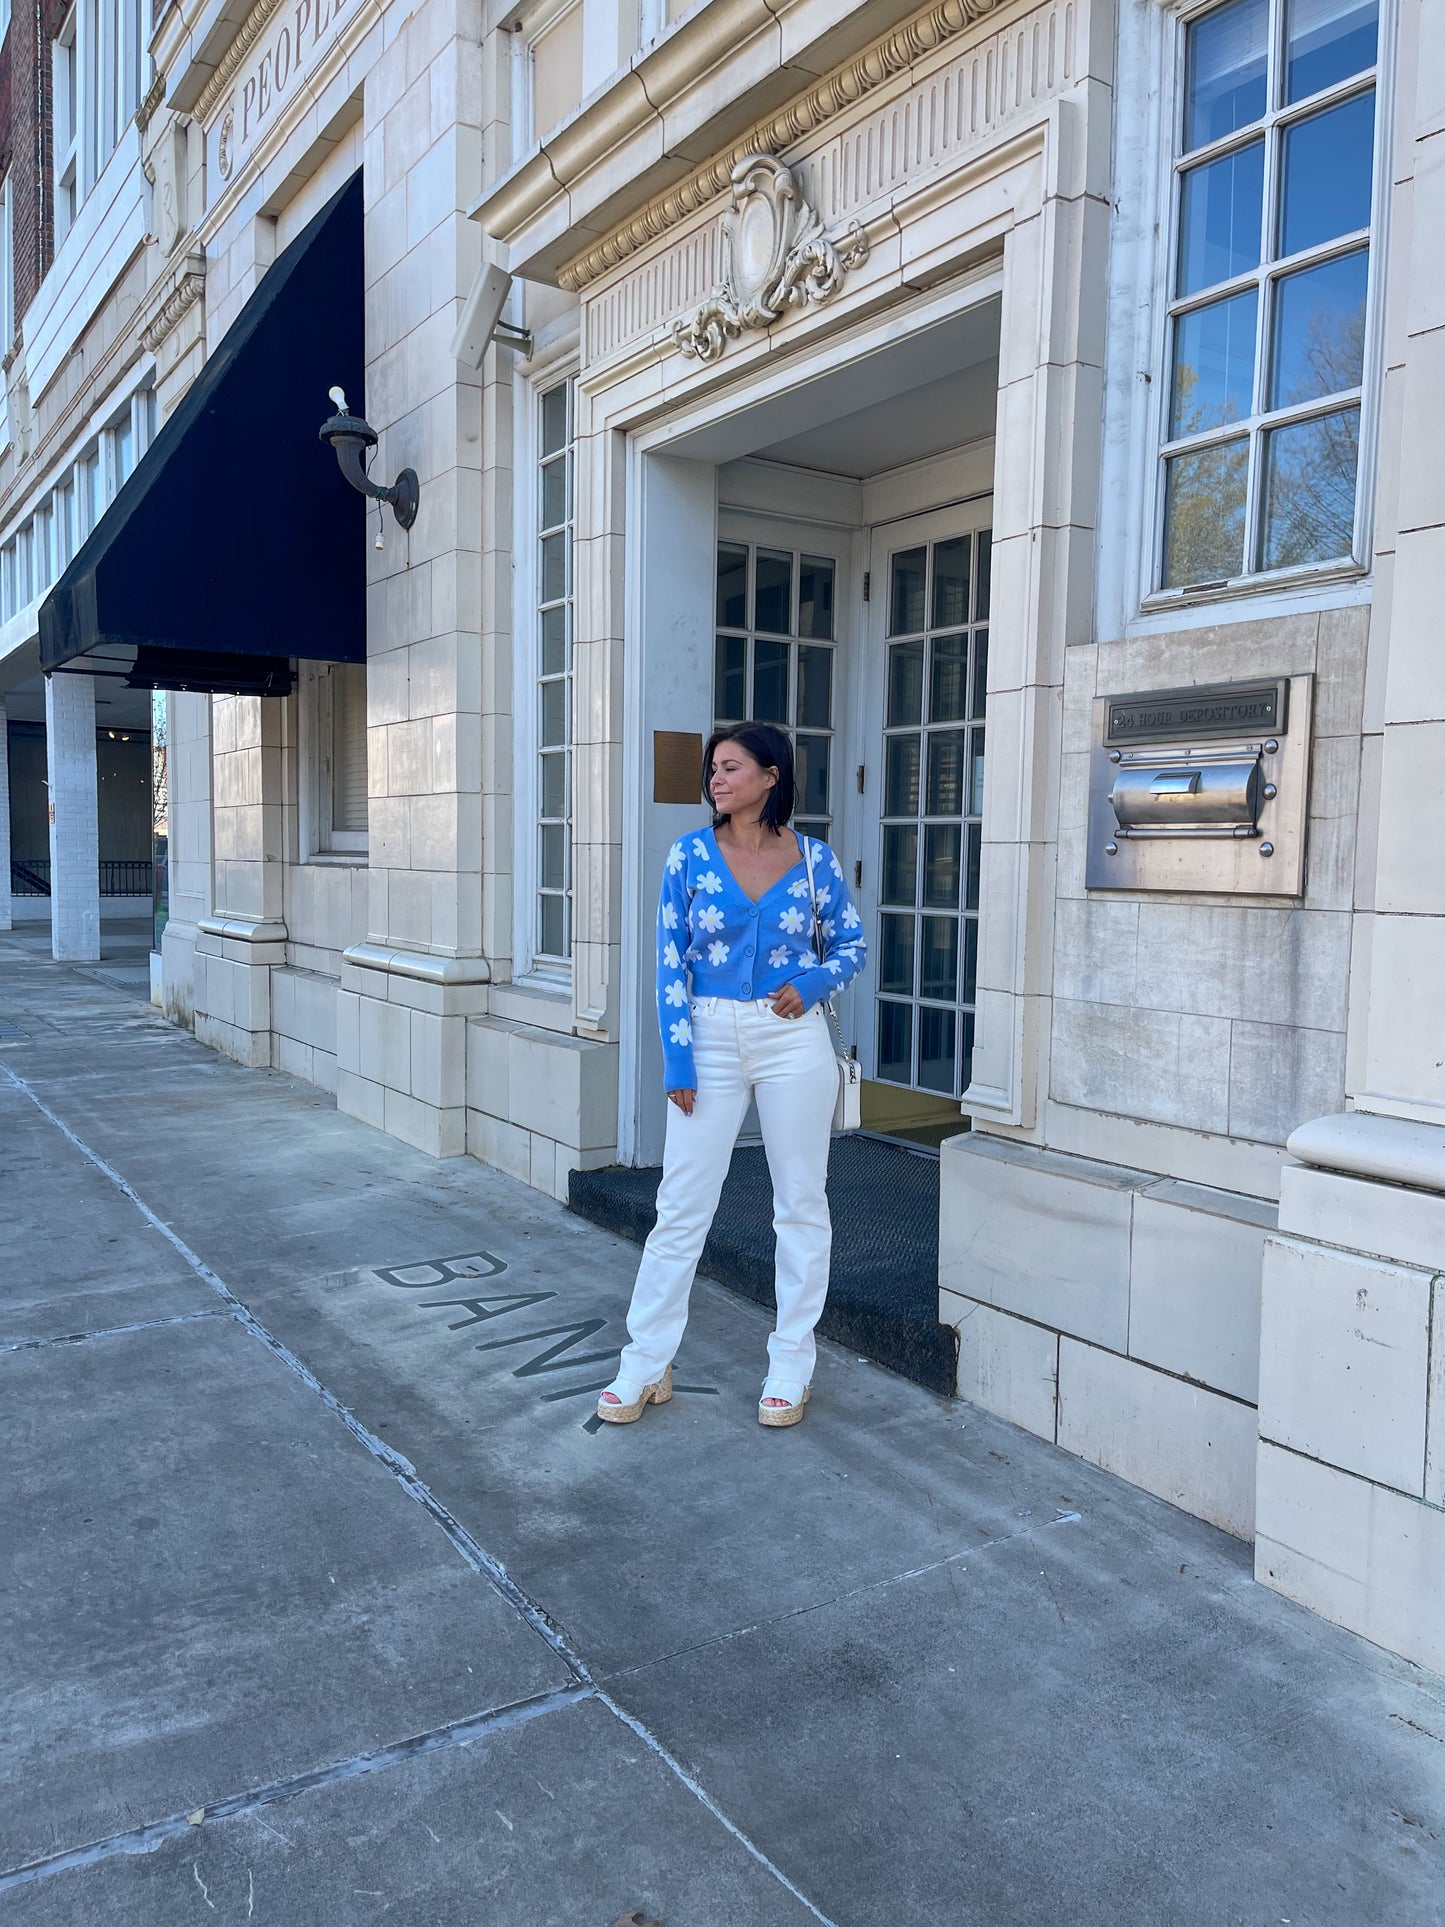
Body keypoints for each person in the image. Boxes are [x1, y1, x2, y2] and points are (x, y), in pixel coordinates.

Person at [598, 722, 867, 1429]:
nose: (716, 779)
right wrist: (678, 1058)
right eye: (712, 768)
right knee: (680, 1204)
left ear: (770, 775)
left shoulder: (814, 860)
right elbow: (668, 964)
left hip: (793, 1041)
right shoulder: (687, 856)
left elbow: (851, 943)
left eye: (731, 766)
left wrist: (809, 984)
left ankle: (790, 1362)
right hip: (709, 1037)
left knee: (801, 1203)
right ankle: (645, 1361)